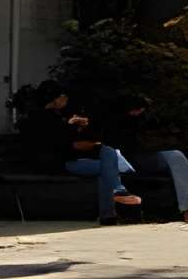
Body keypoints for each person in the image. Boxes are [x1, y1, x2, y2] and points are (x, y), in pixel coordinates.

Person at [19, 84, 142, 222]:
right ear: (55, 99)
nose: (66, 99)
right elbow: (65, 144)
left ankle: (110, 212)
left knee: (107, 163)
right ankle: (113, 202)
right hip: (58, 164)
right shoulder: (44, 119)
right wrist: (77, 132)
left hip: (65, 160)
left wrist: (75, 128)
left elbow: (63, 140)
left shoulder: (54, 117)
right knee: (107, 160)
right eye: (63, 96)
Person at [113, 93, 188, 221]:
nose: (140, 112)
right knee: (176, 157)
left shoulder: (144, 119)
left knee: (184, 156)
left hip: (147, 155)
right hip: (128, 159)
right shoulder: (119, 122)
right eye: (138, 110)